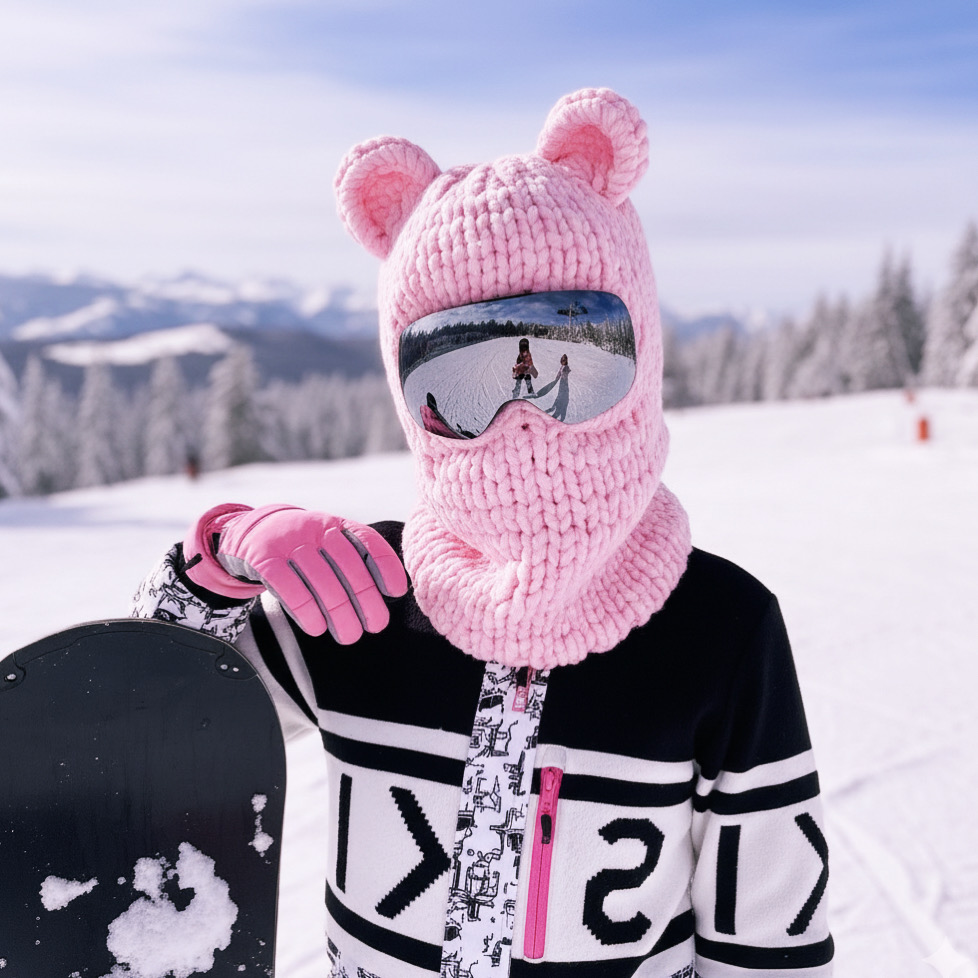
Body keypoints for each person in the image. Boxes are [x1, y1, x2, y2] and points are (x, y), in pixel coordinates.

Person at [133, 89, 833, 977]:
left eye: (572, 362)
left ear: (644, 351)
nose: (522, 417)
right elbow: (145, 726)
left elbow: (770, 937)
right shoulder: (364, 593)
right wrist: (213, 568)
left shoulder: (719, 628)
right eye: (458, 382)